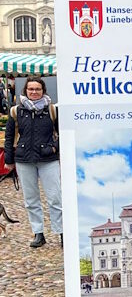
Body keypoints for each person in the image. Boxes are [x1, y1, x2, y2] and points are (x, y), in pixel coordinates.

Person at [3, 76, 61, 248]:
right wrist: (9, 160)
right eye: (31, 89)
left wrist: (54, 148)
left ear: (43, 91)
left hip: (48, 159)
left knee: (55, 198)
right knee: (31, 200)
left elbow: (61, 133)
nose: (34, 92)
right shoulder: (16, 111)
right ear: (25, 91)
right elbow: (9, 137)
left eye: (37, 89)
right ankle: (38, 233)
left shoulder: (52, 110)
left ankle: (62, 232)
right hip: (24, 159)